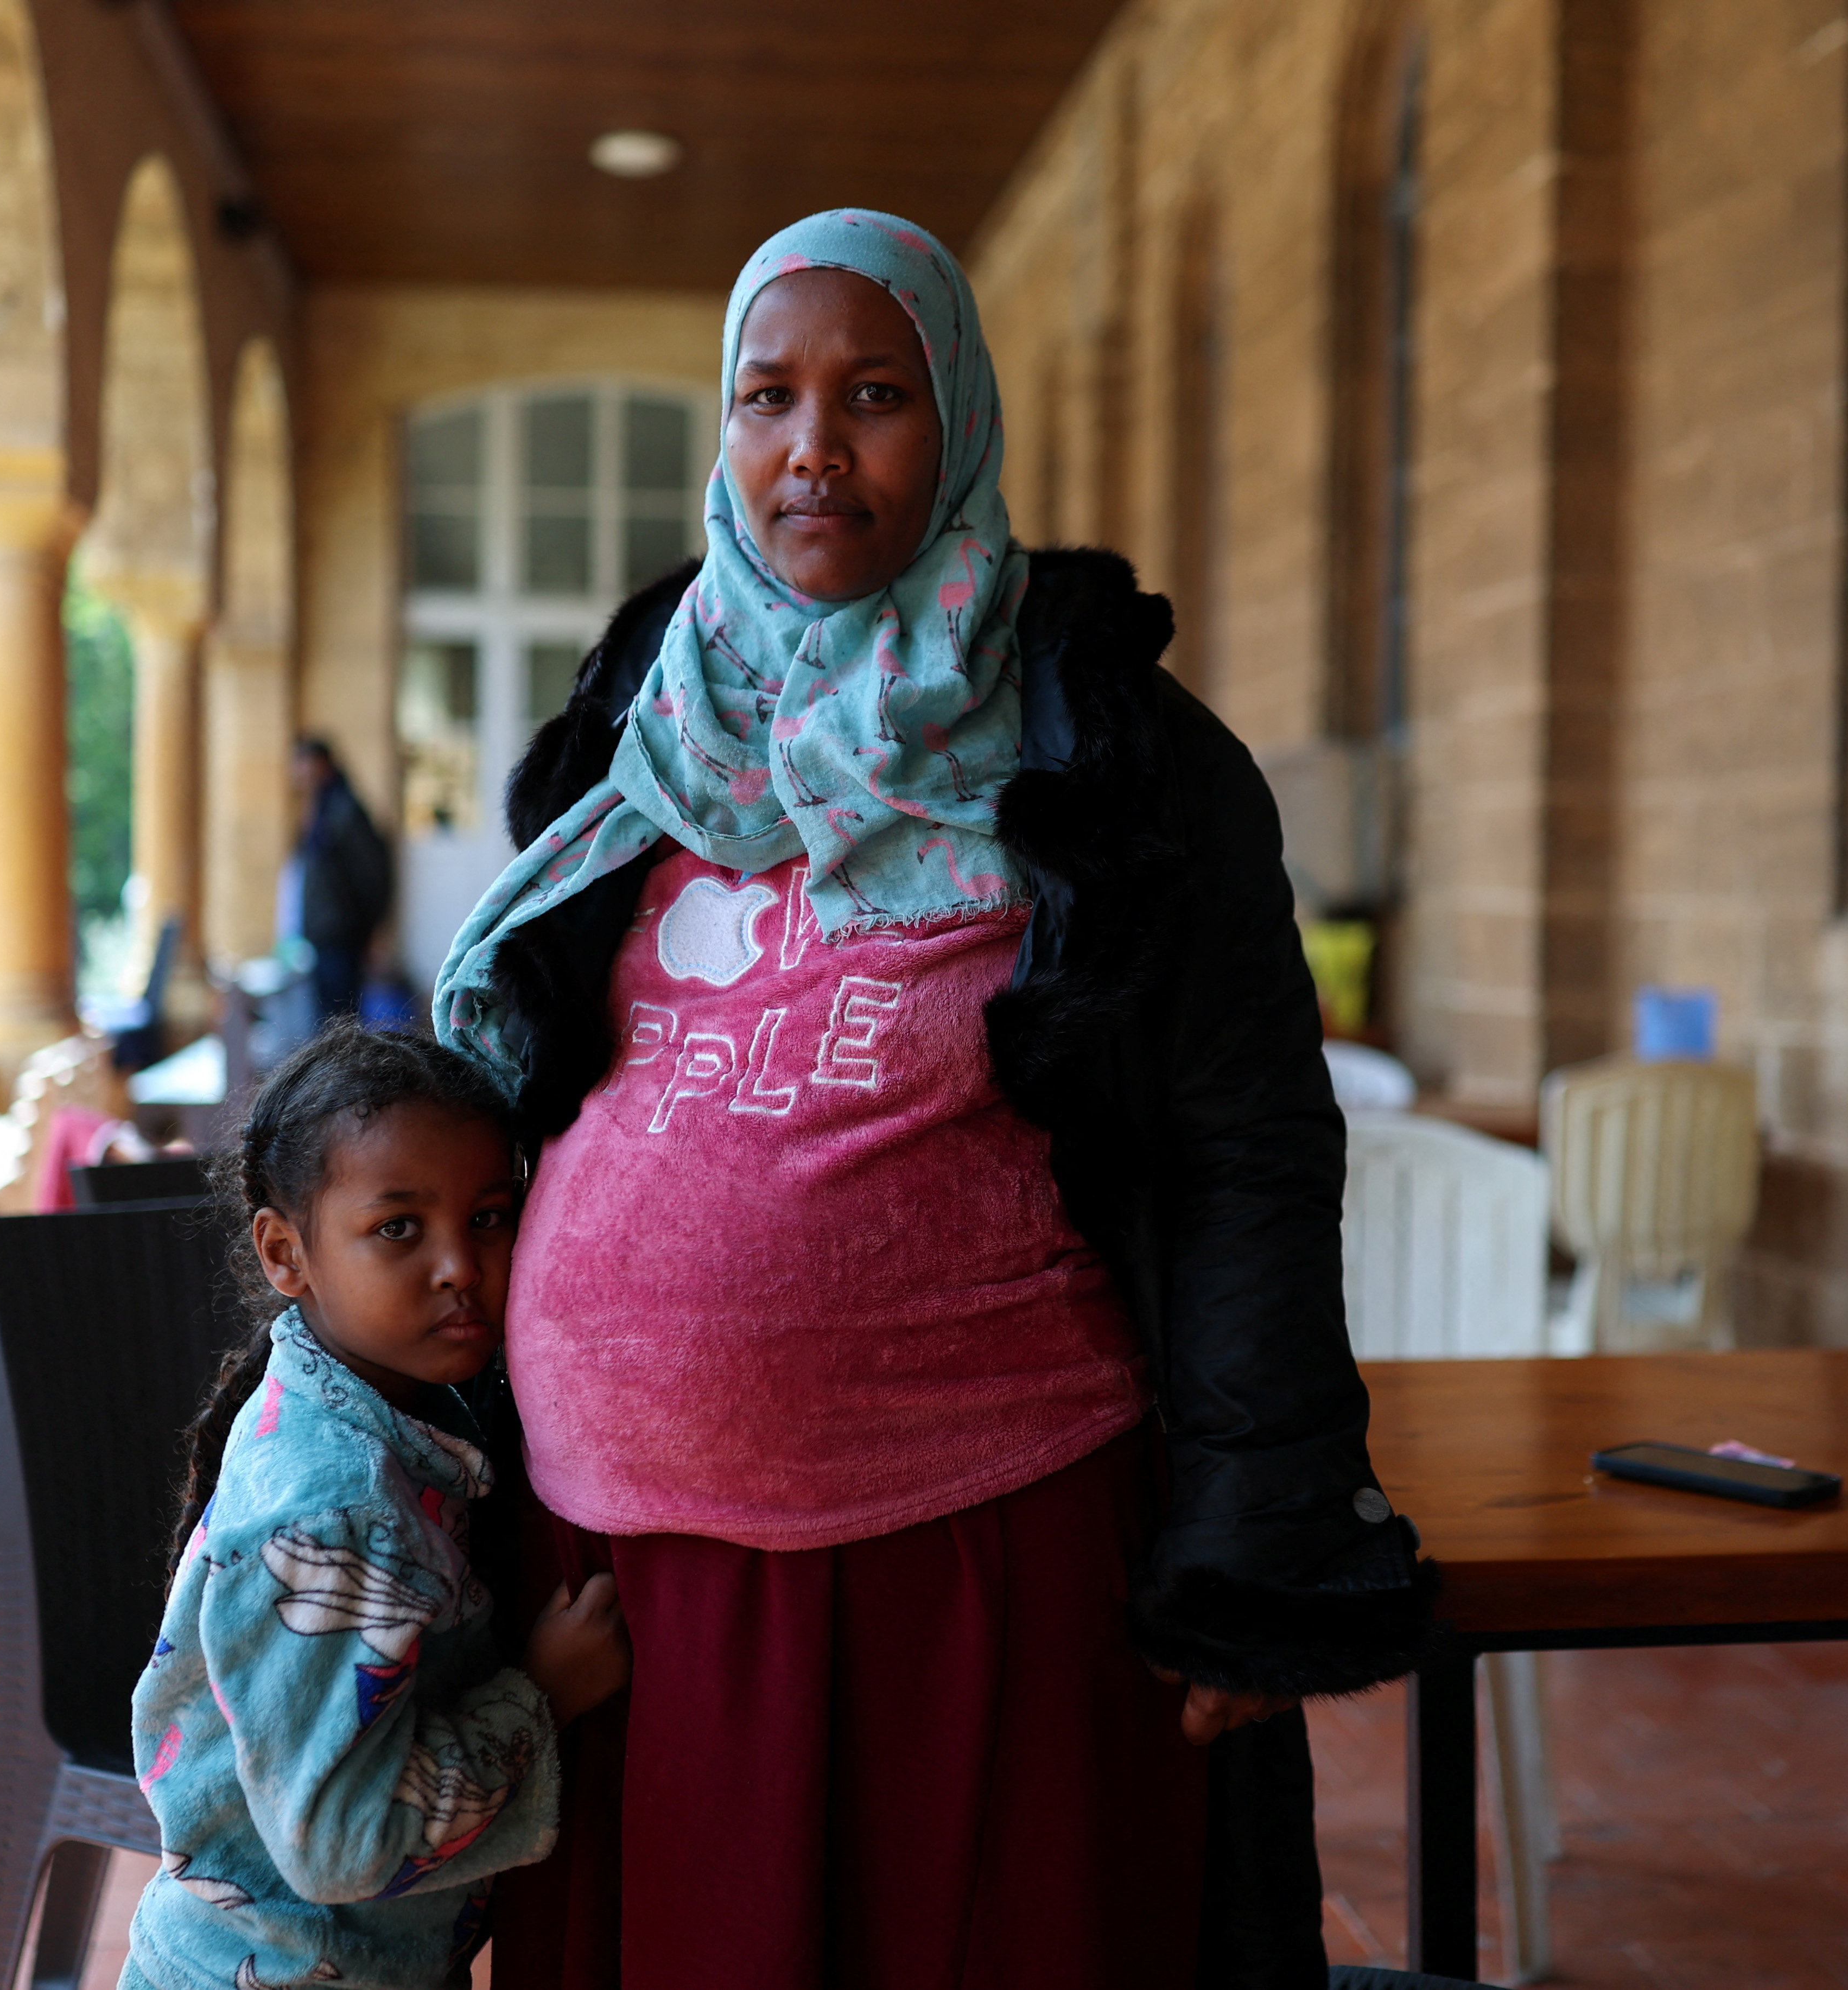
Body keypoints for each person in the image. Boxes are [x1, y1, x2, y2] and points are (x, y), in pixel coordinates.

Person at [433, 211, 1434, 1986]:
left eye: (873, 393)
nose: (812, 445)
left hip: (980, 1561)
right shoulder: (642, 718)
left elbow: (1245, 1150)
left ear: (957, 418)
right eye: (768, 396)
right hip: (618, 1589)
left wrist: (1256, 1539)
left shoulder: (1106, 743)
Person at [118, 1020, 631, 1990]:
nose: (459, 1266)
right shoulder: (338, 1513)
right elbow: (347, 1844)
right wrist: (543, 1698)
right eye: (399, 1227)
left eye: (489, 1215)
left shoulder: (371, 1400)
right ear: (285, 1253)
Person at [291, 736, 396, 1021]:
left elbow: (372, 874)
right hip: (324, 935)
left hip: (342, 935)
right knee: (327, 1017)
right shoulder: (320, 808)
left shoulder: (345, 811)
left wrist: (372, 929)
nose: (298, 773)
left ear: (322, 765)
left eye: (303, 763)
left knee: (341, 1021)